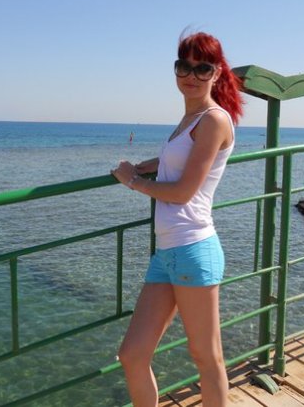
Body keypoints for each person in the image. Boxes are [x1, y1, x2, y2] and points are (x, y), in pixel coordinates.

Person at [111, 31, 243, 407]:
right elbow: (184, 157)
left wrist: (132, 180)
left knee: (207, 358)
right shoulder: (190, 118)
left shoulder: (213, 120)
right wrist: (151, 165)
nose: (191, 76)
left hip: (193, 248)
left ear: (217, 73)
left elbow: (184, 191)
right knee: (132, 354)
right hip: (167, 253)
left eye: (202, 69)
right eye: (184, 66)